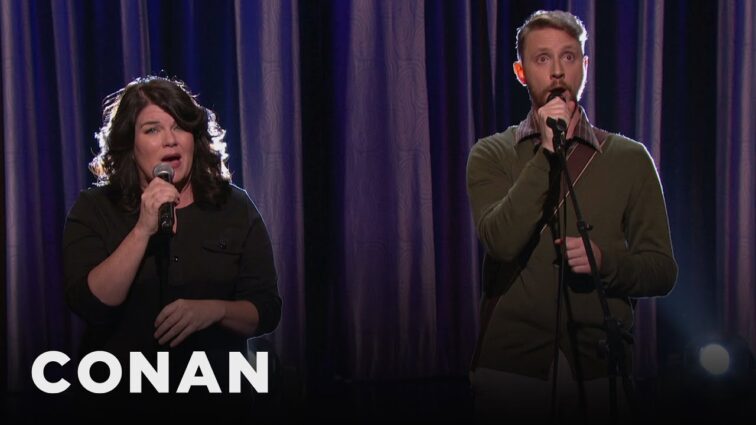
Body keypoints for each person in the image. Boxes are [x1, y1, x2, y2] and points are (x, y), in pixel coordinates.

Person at [466, 10, 677, 423]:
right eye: (542, 58)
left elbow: (661, 270)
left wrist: (605, 263)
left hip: (598, 365)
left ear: (585, 66)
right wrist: (547, 152)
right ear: (521, 72)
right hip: (513, 368)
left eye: (568, 56)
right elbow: (501, 241)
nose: (558, 71)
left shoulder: (629, 158)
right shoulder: (492, 154)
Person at [62, 76, 281, 420]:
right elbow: (91, 304)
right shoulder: (95, 209)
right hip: (120, 402)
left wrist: (215, 310)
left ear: (195, 137)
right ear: (129, 144)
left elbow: (266, 310)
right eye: (152, 129)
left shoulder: (234, 207)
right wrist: (142, 229)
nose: (170, 139)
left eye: (179, 126)